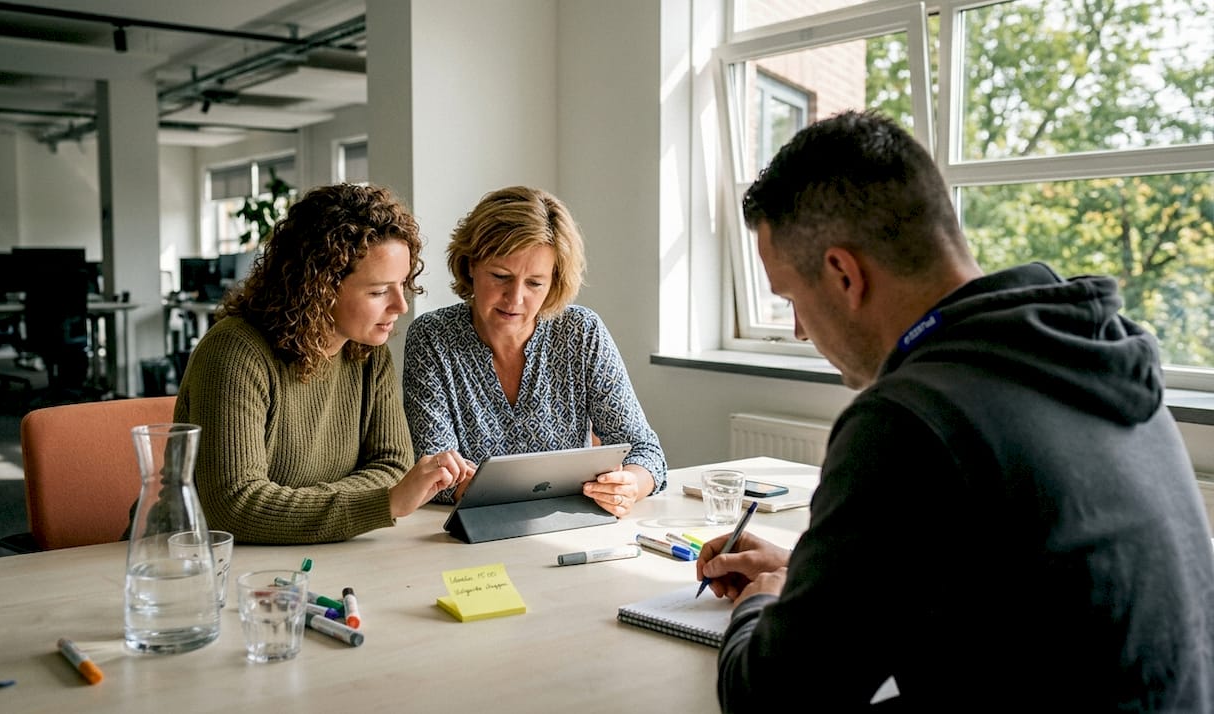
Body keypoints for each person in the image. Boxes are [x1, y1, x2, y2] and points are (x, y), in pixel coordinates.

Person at [698, 111, 1214, 711]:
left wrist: (763, 600)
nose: (796, 329)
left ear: (843, 273)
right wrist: (816, 579)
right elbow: (1032, 594)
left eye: (789, 297)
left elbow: (774, 700)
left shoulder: (909, 421)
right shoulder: (1094, 357)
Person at [174, 183, 464, 544]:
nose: (401, 306)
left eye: (402, 284)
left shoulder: (367, 353)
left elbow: (393, 465)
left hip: (326, 553)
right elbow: (236, 506)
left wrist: (296, 505)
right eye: (377, 292)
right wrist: (381, 502)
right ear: (318, 286)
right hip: (200, 564)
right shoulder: (235, 353)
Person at [402, 186, 666, 515]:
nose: (515, 299)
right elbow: (436, 473)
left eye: (535, 283)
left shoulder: (581, 332)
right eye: (500, 276)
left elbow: (646, 451)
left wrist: (631, 484)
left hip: (568, 529)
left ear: (554, 281)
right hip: (467, 535)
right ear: (470, 265)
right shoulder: (432, 337)